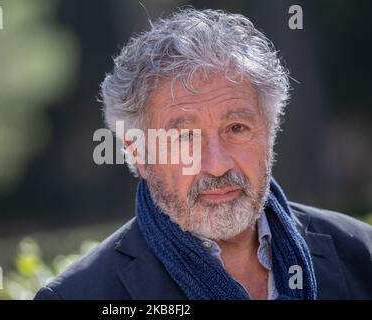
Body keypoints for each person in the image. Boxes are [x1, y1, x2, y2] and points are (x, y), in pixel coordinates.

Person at [35, 8, 372, 300]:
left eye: (237, 128)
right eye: (184, 138)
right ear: (139, 154)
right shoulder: (79, 295)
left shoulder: (362, 255)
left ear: (269, 133)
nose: (217, 164)